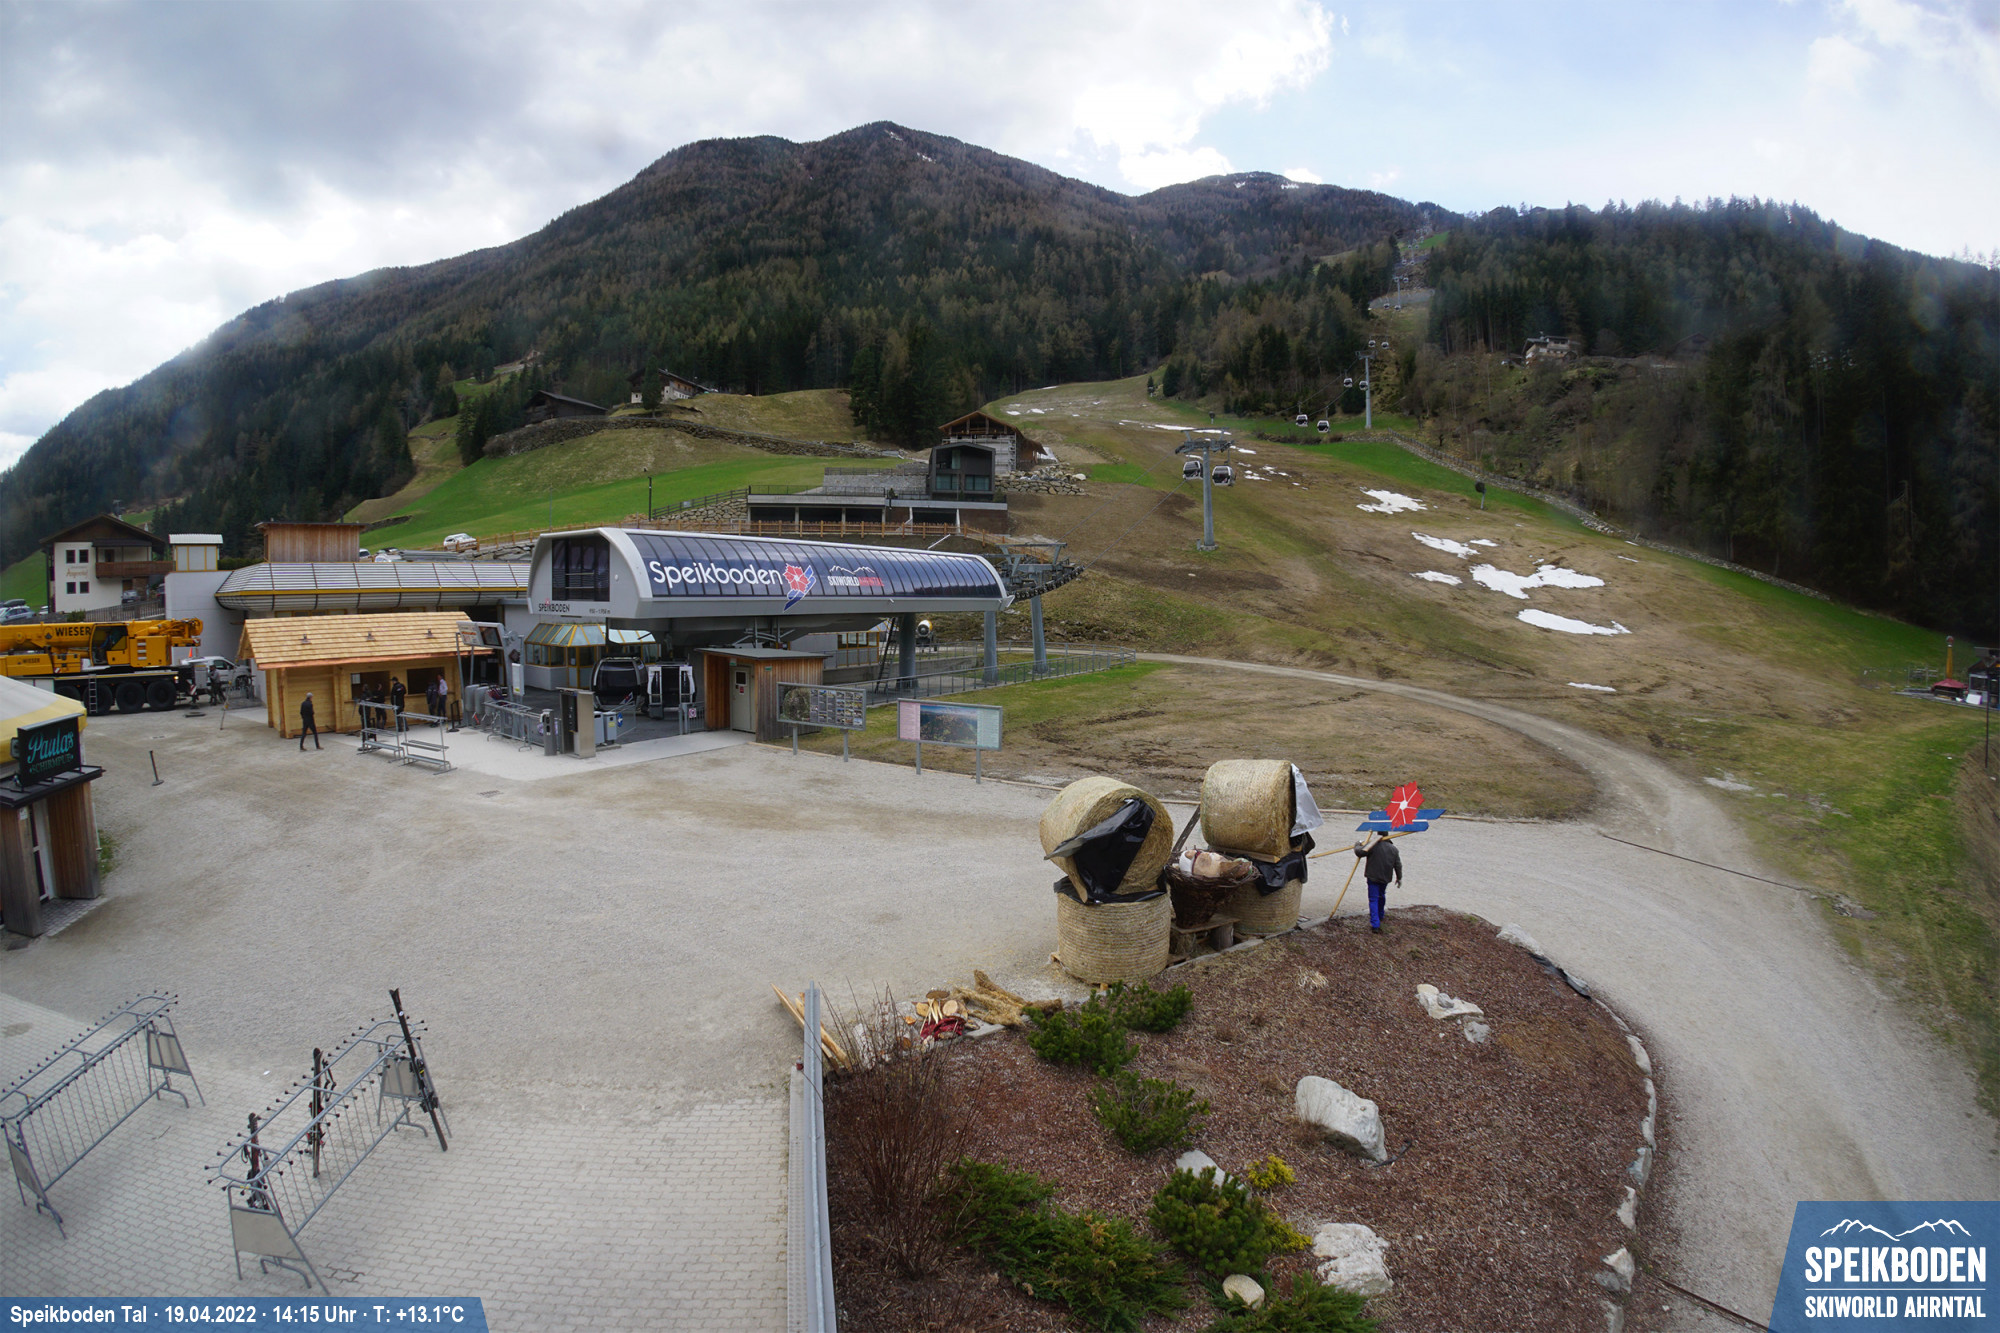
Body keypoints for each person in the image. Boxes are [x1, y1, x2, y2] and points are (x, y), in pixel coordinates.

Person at [1353, 835, 1402, 933]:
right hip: (1385, 878)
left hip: (1373, 877)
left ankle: (1375, 924)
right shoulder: (1394, 849)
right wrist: (1399, 877)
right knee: (1381, 895)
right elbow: (1398, 865)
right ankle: (1380, 915)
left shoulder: (1372, 845)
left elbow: (1359, 852)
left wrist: (1357, 844)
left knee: (1373, 899)